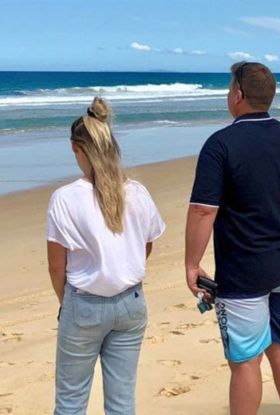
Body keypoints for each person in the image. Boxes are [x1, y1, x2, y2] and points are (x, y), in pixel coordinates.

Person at [185, 62, 280, 415]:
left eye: (230, 89)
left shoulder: (220, 144)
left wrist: (192, 263)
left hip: (244, 270)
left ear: (239, 95)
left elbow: (203, 211)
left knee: (245, 361)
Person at [47, 97, 165, 414]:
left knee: (70, 402)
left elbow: (57, 267)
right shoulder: (137, 192)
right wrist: (124, 267)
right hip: (130, 302)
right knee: (121, 402)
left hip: (84, 302)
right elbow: (146, 245)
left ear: (76, 148)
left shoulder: (65, 198)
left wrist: (65, 303)